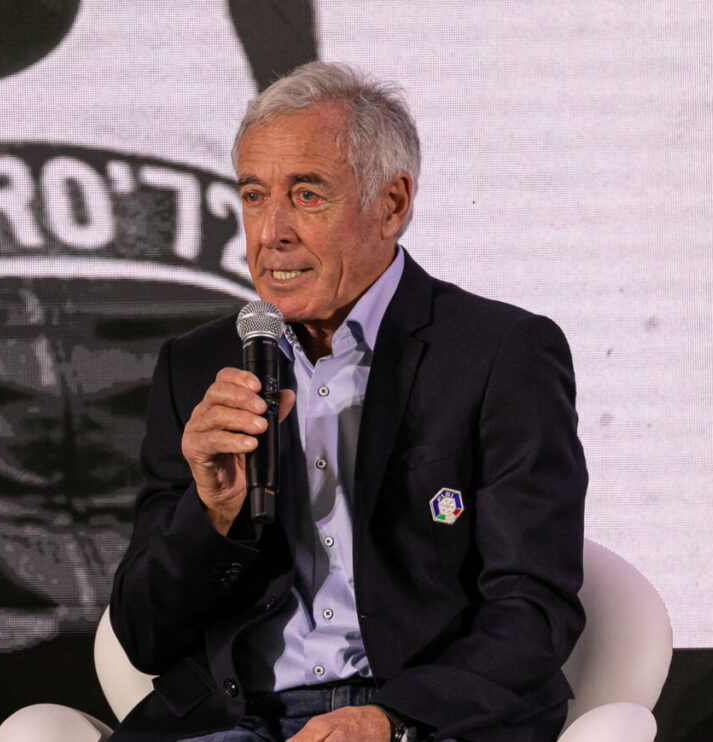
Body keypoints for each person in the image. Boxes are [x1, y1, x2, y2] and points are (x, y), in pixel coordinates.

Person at [108, 61, 587, 742]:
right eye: (253, 195)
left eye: (306, 195)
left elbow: (533, 607)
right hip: (235, 721)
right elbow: (143, 636)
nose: (270, 232)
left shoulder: (498, 354)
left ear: (391, 204)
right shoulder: (198, 368)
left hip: (420, 719)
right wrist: (211, 513)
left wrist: (392, 720)